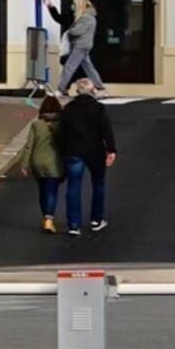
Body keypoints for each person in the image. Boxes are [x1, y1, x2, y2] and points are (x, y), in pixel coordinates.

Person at [57, 77, 117, 236]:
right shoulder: (98, 108)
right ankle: (96, 219)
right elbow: (106, 129)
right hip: (95, 151)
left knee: (73, 186)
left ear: (77, 91)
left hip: (73, 151)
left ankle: (73, 225)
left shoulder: (68, 108)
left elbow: (61, 132)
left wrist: (62, 151)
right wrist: (111, 149)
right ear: (92, 91)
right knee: (98, 184)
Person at [18, 94, 65, 233]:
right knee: (51, 191)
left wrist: (24, 163)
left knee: (43, 191)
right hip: (55, 162)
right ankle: (49, 220)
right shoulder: (62, 124)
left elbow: (29, 145)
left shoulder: (36, 124)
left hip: (37, 161)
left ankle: (45, 217)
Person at [57, 0, 104, 92]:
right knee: (89, 68)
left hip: (80, 46)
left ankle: (61, 89)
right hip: (84, 46)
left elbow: (77, 31)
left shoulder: (86, 18)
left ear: (79, 6)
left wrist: (69, 32)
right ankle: (100, 87)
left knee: (69, 67)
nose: (72, 6)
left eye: (74, 4)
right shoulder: (89, 18)